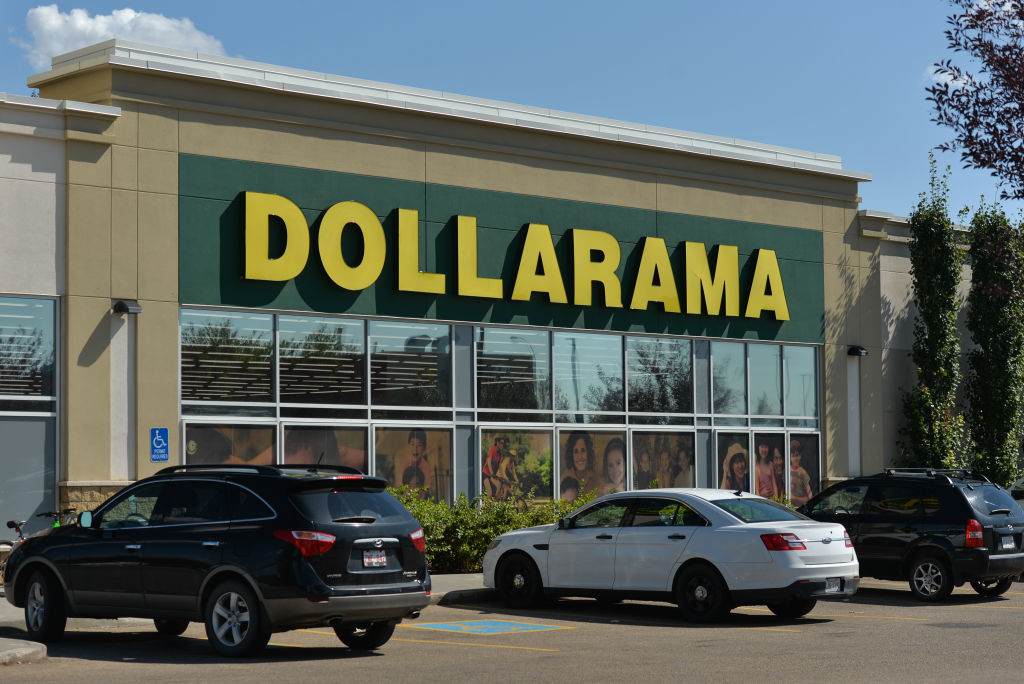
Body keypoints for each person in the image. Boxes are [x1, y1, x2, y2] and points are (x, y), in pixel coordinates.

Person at [561, 431, 597, 495]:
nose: (580, 456)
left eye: (583, 450)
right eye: (576, 451)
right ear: (571, 455)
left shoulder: (595, 478)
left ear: (588, 452)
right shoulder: (564, 478)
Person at [404, 429, 432, 496]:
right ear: (408, 446)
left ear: (424, 448)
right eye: (412, 444)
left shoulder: (426, 468)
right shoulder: (405, 464)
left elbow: (425, 492)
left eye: (419, 445)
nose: (415, 448)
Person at [790, 438, 813, 505]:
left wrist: (811, 503)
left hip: (799, 505)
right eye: (793, 456)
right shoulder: (787, 471)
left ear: (800, 456)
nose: (795, 459)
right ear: (790, 457)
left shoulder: (803, 473)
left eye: (797, 455)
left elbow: (809, 491)